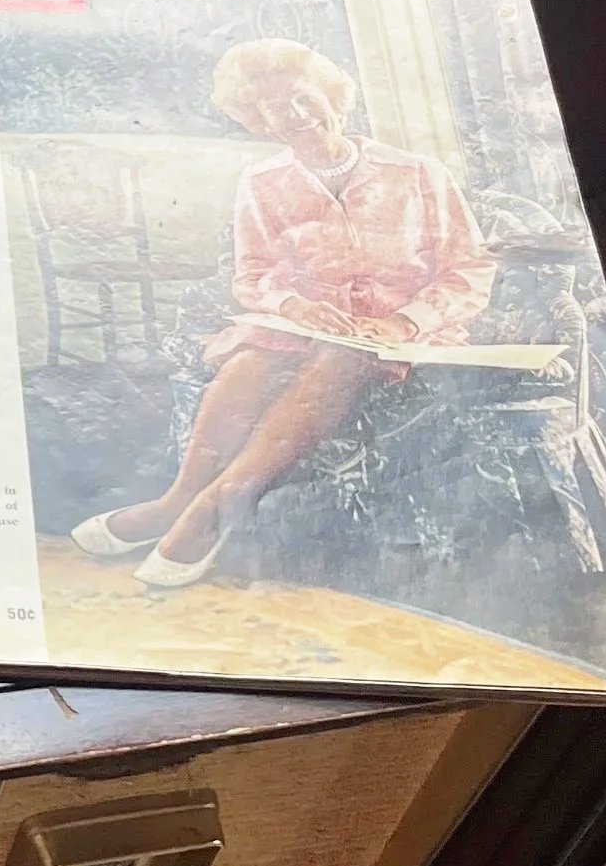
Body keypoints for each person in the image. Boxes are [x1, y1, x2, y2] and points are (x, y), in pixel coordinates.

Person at [73, 39, 495, 591]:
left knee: (341, 357)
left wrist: (404, 321)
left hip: (407, 337)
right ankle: (175, 501)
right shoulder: (262, 183)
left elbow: (471, 268)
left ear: (333, 97)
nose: (292, 115)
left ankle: (218, 506)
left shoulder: (417, 173)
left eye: (300, 97)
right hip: (305, 328)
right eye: (272, 107)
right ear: (257, 120)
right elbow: (252, 276)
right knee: (251, 358)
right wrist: (295, 305)